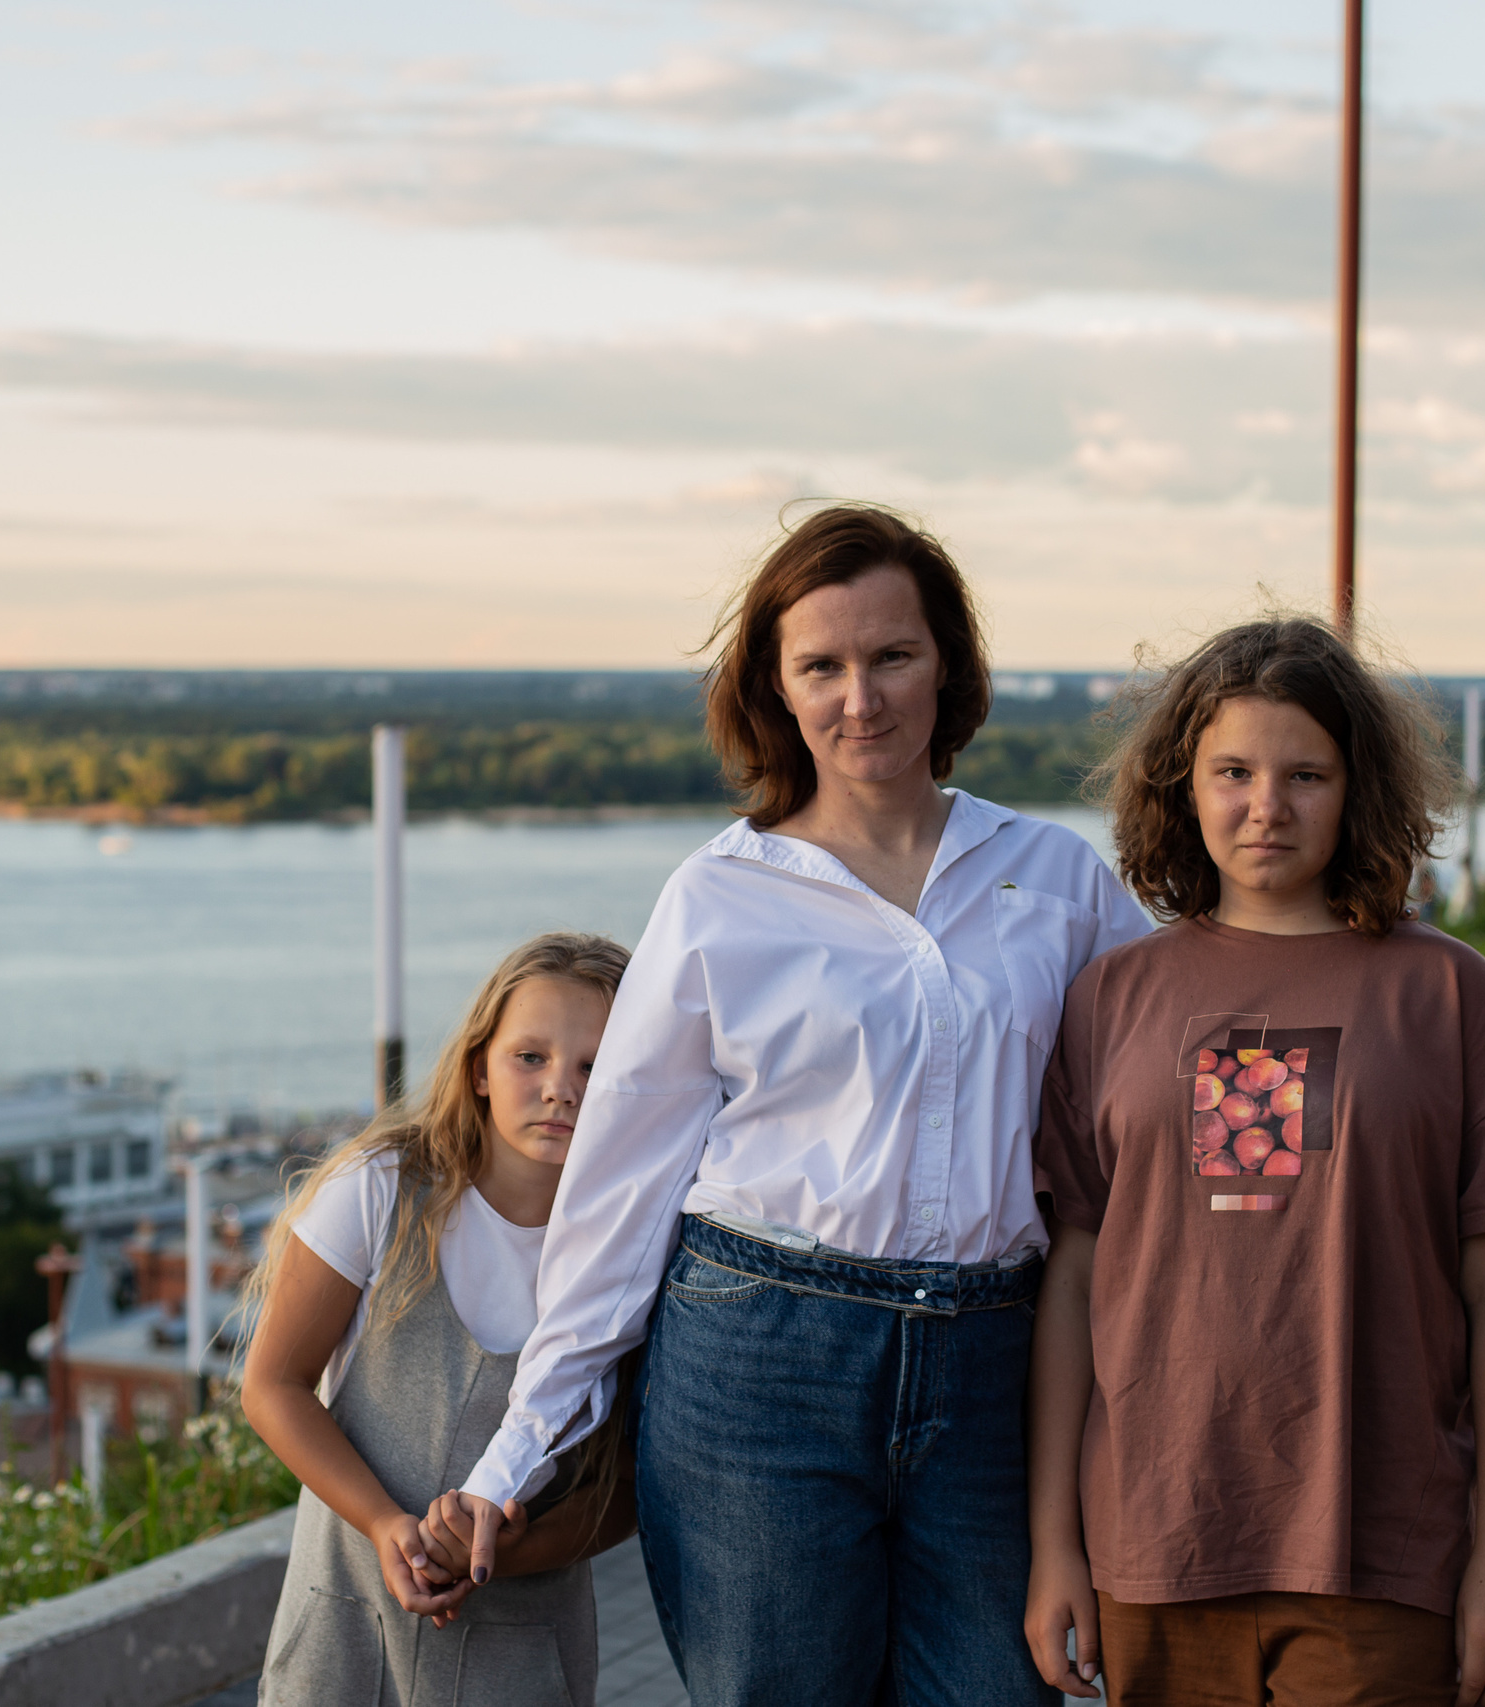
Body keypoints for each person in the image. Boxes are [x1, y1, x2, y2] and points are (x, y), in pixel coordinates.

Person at [434, 505, 1150, 1705]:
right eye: (820, 665)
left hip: (994, 1371)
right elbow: (620, 1194)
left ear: (949, 667)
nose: (858, 698)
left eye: (891, 657)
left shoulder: (1059, 879)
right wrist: (518, 1454)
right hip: (761, 1367)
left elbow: (1162, 1094)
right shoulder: (718, 897)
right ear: (775, 688)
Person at [1024, 616, 1485, 1707]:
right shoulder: (1109, 998)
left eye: (1305, 774)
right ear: (1181, 785)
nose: (1265, 806)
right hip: (1156, 1542)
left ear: (1357, 788)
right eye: (1231, 770)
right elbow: (1074, 1283)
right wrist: (1054, 1543)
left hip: (1380, 1550)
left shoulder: (1448, 995)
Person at [241, 931, 639, 1707]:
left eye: (597, 1065)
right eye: (532, 1056)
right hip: (343, 1637)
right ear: (480, 1065)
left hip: (524, 1661)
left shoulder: (638, 1254)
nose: (563, 1086)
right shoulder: (381, 1187)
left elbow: (624, 1487)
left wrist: (504, 1553)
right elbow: (272, 1384)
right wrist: (387, 1523)